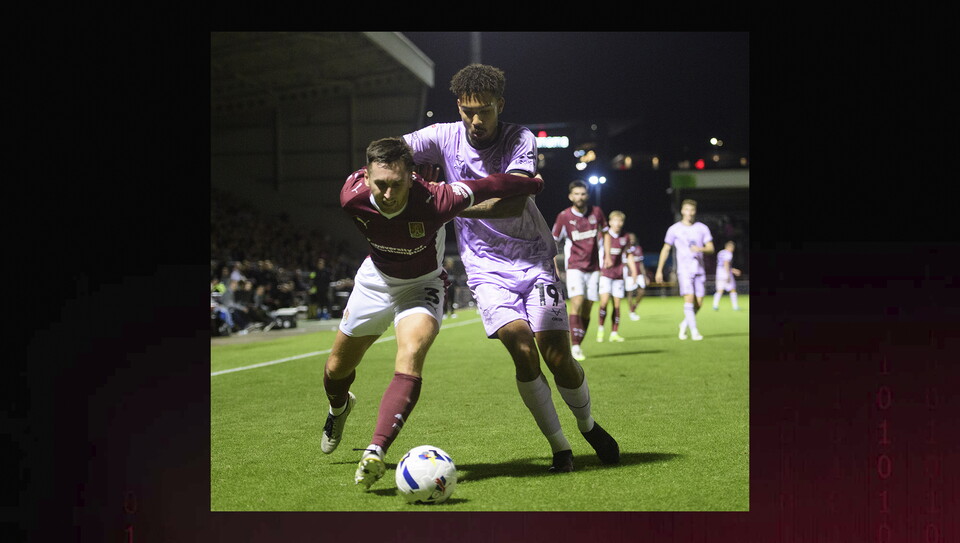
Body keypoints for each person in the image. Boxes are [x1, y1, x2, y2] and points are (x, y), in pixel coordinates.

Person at [402, 63, 619, 473]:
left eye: (485, 110)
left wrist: (445, 201)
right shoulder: (442, 136)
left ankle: (587, 425)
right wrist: (411, 178)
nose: (476, 120)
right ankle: (560, 448)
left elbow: (513, 203)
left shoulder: (520, 138)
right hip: (485, 269)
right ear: (458, 107)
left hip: (534, 259)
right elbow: (391, 153)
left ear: (500, 105)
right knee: (522, 351)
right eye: (468, 111)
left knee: (556, 355)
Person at [320, 137, 544, 491]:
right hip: (374, 280)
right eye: (380, 184)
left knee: (409, 357)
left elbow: (489, 185)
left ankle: (376, 450)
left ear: (411, 176)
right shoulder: (352, 195)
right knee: (335, 371)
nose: (388, 194)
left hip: (422, 286)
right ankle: (338, 409)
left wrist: (531, 182)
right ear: (365, 176)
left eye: (397, 184)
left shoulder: (438, 199)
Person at [551, 180, 607, 361]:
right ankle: (574, 346)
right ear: (570, 196)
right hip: (575, 267)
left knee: (588, 307)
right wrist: (554, 267)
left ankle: (577, 342)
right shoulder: (564, 216)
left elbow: (605, 233)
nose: (579, 197)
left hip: (594, 268)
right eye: (576, 194)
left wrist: (608, 257)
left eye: (582, 194)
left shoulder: (597, 212)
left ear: (587, 195)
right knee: (577, 301)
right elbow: (553, 242)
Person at [654, 199, 714, 341]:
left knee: (698, 303)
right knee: (689, 298)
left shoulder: (702, 228)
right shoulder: (674, 229)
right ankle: (694, 331)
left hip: (699, 269)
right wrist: (659, 270)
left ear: (695, 211)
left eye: (692, 210)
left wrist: (701, 249)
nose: (689, 213)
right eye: (686, 210)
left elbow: (711, 248)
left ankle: (684, 324)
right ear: (682, 211)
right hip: (684, 270)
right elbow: (666, 249)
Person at [595, 211, 639, 343]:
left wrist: (634, 271)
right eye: (615, 220)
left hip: (619, 275)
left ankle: (614, 333)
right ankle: (601, 329)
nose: (618, 223)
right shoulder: (603, 235)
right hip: (605, 274)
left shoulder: (625, 236)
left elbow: (629, 254)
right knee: (603, 303)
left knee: (617, 306)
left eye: (620, 221)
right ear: (610, 222)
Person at [623, 232, 646, 321]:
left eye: (633, 238)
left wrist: (644, 275)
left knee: (642, 292)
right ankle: (631, 311)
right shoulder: (625, 249)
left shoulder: (638, 248)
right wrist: (631, 274)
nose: (632, 239)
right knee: (630, 293)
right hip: (629, 275)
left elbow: (640, 263)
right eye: (630, 238)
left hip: (639, 274)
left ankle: (634, 308)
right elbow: (625, 263)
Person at [712, 240, 742, 311]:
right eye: (732, 248)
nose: (733, 249)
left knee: (720, 290)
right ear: (729, 247)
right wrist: (728, 274)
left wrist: (733, 270)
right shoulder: (728, 253)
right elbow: (726, 263)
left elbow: (722, 264)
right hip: (726, 273)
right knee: (732, 290)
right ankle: (735, 306)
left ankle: (715, 305)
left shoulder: (720, 253)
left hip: (719, 273)